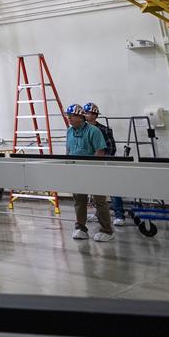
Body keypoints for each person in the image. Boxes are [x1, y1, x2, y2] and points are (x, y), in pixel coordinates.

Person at [65, 104, 114, 242]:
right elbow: (68, 151)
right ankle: (80, 228)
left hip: (93, 171)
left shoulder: (94, 131)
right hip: (76, 171)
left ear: (81, 117)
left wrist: (94, 170)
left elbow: (100, 151)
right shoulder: (69, 132)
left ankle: (107, 230)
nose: (69, 119)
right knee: (79, 201)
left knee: (100, 201)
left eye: (72, 116)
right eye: (68, 116)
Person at [84, 102, 126, 226]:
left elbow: (111, 148)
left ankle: (119, 215)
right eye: (85, 113)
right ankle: (99, 214)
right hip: (91, 164)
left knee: (112, 188)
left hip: (105, 163)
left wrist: (102, 161)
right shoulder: (83, 130)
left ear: (94, 115)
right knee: (96, 190)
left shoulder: (103, 129)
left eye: (88, 113)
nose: (85, 115)